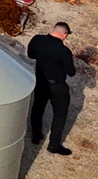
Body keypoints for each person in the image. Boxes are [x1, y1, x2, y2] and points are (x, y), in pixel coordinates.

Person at [27, 22, 77, 156]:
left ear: (52, 30)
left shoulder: (37, 39)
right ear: (64, 35)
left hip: (41, 81)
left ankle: (36, 136)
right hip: (57, 86)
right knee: (60, 114)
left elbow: (31, 55)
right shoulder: (64, 51)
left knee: (38, 107)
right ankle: (54, 145)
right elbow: (71, 72)